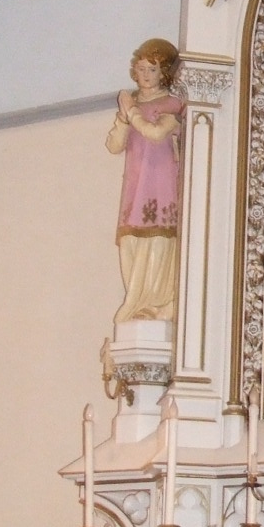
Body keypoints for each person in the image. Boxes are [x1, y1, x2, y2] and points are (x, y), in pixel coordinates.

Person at [105, 37, 186, 323]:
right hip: (135, 183)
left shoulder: (171, 104)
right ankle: (136, 302)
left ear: (163, 73)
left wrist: (132, 112)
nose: (145, 75)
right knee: (130, 239)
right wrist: (124, 118)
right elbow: (114, 145)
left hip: (160, 183)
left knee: (158, 240)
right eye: (141, 68)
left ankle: (156, 303)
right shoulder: (134, 105)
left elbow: (155, 133)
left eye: (152, 69)